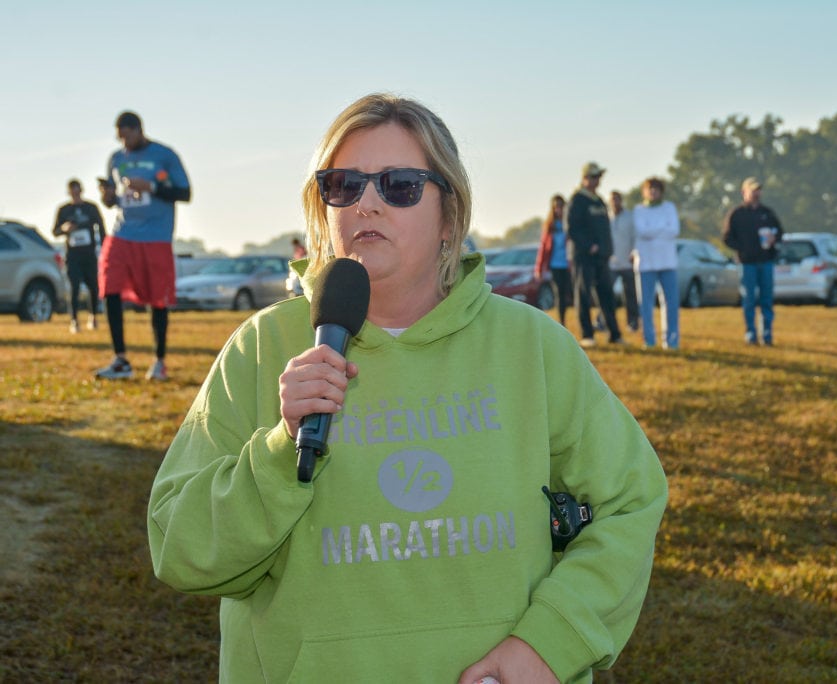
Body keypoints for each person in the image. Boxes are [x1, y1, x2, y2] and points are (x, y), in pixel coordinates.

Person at [147, 94, 667, 684]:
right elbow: (181, 549)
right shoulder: (263, 347)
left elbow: (631, 501)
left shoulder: (533, 346)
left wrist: (549, 645)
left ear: (450, 215)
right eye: (343, 184)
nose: (366, 201)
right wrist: (277, 448)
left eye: (398, 184)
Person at [95, 111, 191, 380]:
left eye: (127, 136)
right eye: (120, 138)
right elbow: (114, 199)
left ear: (138, 130)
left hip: (156, 237)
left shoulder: (165, 155)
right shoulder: (116, 159)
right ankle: (120, 360)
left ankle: (159, 361)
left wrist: (149, 186)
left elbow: (185, 193)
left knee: (158, 299)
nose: (124, 143)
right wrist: (108, 197)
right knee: (109, 286)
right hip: (122, 233)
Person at [566, 162, 622, 347]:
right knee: (583, 294)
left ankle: (615, 334)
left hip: (602, 257)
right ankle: (587, 335)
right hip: (584, 257)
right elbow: (572, 228)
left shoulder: (598, 200)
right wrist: (588, 246)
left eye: (598, 177)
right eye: (593, 177)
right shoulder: (577, 200)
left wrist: (607, 249)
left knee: (606, 295)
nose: (596, 180)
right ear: (584, 178)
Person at [722, 176, 783, 345]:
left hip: (766, 262)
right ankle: (751, 333)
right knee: (749, 299)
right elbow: (727, 237)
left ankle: (767, 334)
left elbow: (780, 233)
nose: (756, 194)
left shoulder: (767, 213)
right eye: (753, 190)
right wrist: (742, 249)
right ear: (744, 192)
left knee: (766, 299)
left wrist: (773, 239)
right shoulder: (737, 214)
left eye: (758, 190)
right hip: (747, 263)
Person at [632, 177, 681, 350]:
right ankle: (649, 340)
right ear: (644, 191)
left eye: (656, 189)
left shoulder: (669, 208)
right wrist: (661, 229)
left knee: (671, 303)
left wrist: (653, 231)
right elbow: (641, 231)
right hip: (645, 264)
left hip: (668, 262)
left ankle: (672, 341)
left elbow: (674, 230)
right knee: (645, 304)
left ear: (661, 191)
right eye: (649, 189)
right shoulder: (638, 210)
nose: (653, 192)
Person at [52, 178, 106, 333]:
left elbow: (101, 227)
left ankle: (93, 316)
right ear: (69, 192)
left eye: (77, 191)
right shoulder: (63, 210)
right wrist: (64, 228)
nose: (75, 194)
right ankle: (74, 320)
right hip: (73, 255)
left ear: (81, 190)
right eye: (72, 191)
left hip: (89, 253)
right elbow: (55, 231)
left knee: (93, 287)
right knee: (74, 287)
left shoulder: (91, 208)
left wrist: (105, 247)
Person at [533, 194, 573, 326]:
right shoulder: (549, 226)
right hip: (555, 265)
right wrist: (539, 268)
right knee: (559, 294)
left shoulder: (570, 224)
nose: (559, 209)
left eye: (561, 206)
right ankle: (562, 322)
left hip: (569, 264)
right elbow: (543, 249)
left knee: (570, 293)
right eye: (556, 207)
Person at [608, 190, 639, 332]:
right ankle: (603, 320)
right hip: (611, 263)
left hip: (627, 261)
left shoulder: (630, 217)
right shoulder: (607, 218)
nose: (615, 202)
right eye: (612, 199)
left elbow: (635, 237)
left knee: (630, 294)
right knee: (606, 293)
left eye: (617, 199)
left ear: (621, 201)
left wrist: (634, 252)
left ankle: (632, 322)